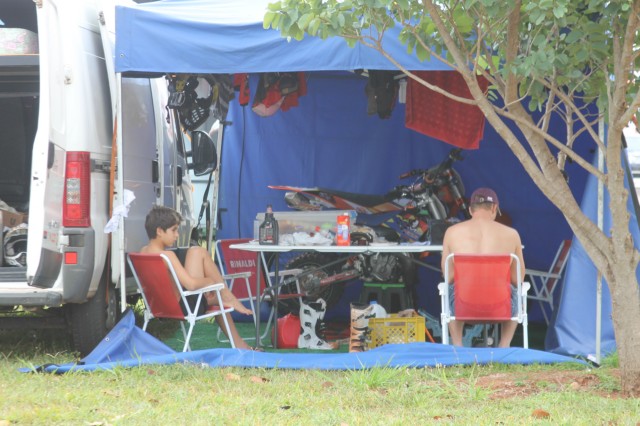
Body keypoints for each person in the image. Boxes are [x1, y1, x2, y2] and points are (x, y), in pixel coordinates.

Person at [140, 205, 254, 350]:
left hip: (160, 307)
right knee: (199, 252)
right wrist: (212, 282)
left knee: (195, 251)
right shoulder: (167, 256)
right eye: (174, 230)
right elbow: (191, 285)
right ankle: (227, 298)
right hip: (184, 308)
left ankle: (223, 296)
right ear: (159, 231)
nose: (177, 235)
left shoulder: (143, 252)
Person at [440, 187, 525, 348]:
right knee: (518, 293)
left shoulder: (451, 232)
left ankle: (457, 346)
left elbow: (448, 276)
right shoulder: (512, 234)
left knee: (451, 289)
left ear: (471, 210)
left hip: (462, 306)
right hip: (502, 306)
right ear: (494, 208)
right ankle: (503, 345)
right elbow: (517, 278)